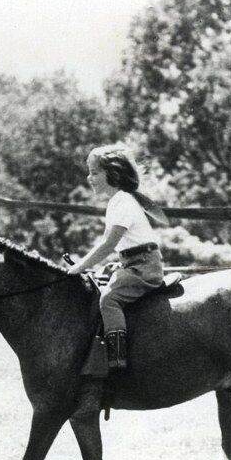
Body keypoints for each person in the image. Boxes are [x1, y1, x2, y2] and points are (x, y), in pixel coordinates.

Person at [66, 144, 169, 371]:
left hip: (144, 267)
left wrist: (79, 267)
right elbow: (117, 246)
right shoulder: (118, 202)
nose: (89, 177)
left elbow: (107, 244)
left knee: (108, 299)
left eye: (94, 172)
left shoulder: (123, 202)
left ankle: (116, 358)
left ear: (111, 174)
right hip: (134, 263)